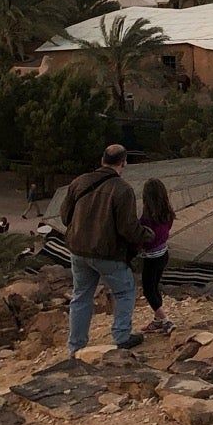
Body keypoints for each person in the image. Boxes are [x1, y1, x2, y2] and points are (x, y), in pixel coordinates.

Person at [60, 144, 151, 357]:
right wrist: (148, 236)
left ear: (102, 160)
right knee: (125, 291)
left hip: (78, 250)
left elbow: (66, 217)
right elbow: (128, 228)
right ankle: (122, 337)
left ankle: (76, 347)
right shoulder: (123, 189)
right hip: (107, 253)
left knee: (81, 296)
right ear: (123, 162)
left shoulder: (79, 182)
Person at [138, 177, 175, 336]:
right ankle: (157, 320)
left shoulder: (146, 219)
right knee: (155, 287)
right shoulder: (168, 214)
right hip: (163, 254)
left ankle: (166, 321)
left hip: (151, 258)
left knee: (148, 290)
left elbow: (143, 239)